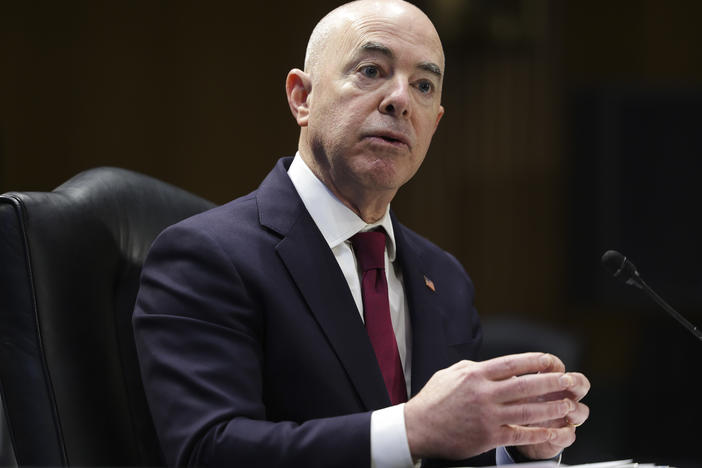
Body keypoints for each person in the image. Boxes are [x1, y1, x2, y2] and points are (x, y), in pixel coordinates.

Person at [132, 1, 590, 466]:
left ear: (434, 122)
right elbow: (207, 452)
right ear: (302, 98)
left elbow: (448, 451)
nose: (400, 100)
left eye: (424, 85)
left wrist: (518, 449)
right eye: (371, 70)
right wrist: (410, 429)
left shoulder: (445, 279)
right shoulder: (206, 256)